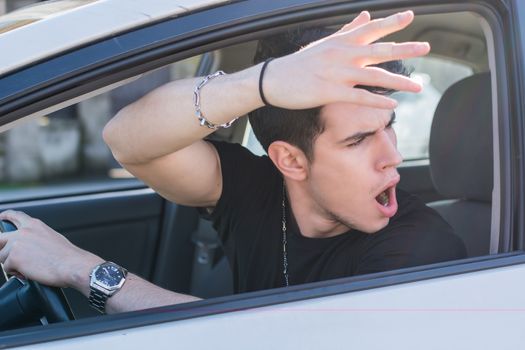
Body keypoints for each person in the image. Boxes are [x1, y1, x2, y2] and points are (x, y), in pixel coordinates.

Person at [0, 10, 466, 314]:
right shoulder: (258, 189)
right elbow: (125, 139)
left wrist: (82, 269)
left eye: (389, 126)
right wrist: (261, 84)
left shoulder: (421, 253)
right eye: (361, 139)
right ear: (290, 161)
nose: (394, 157)